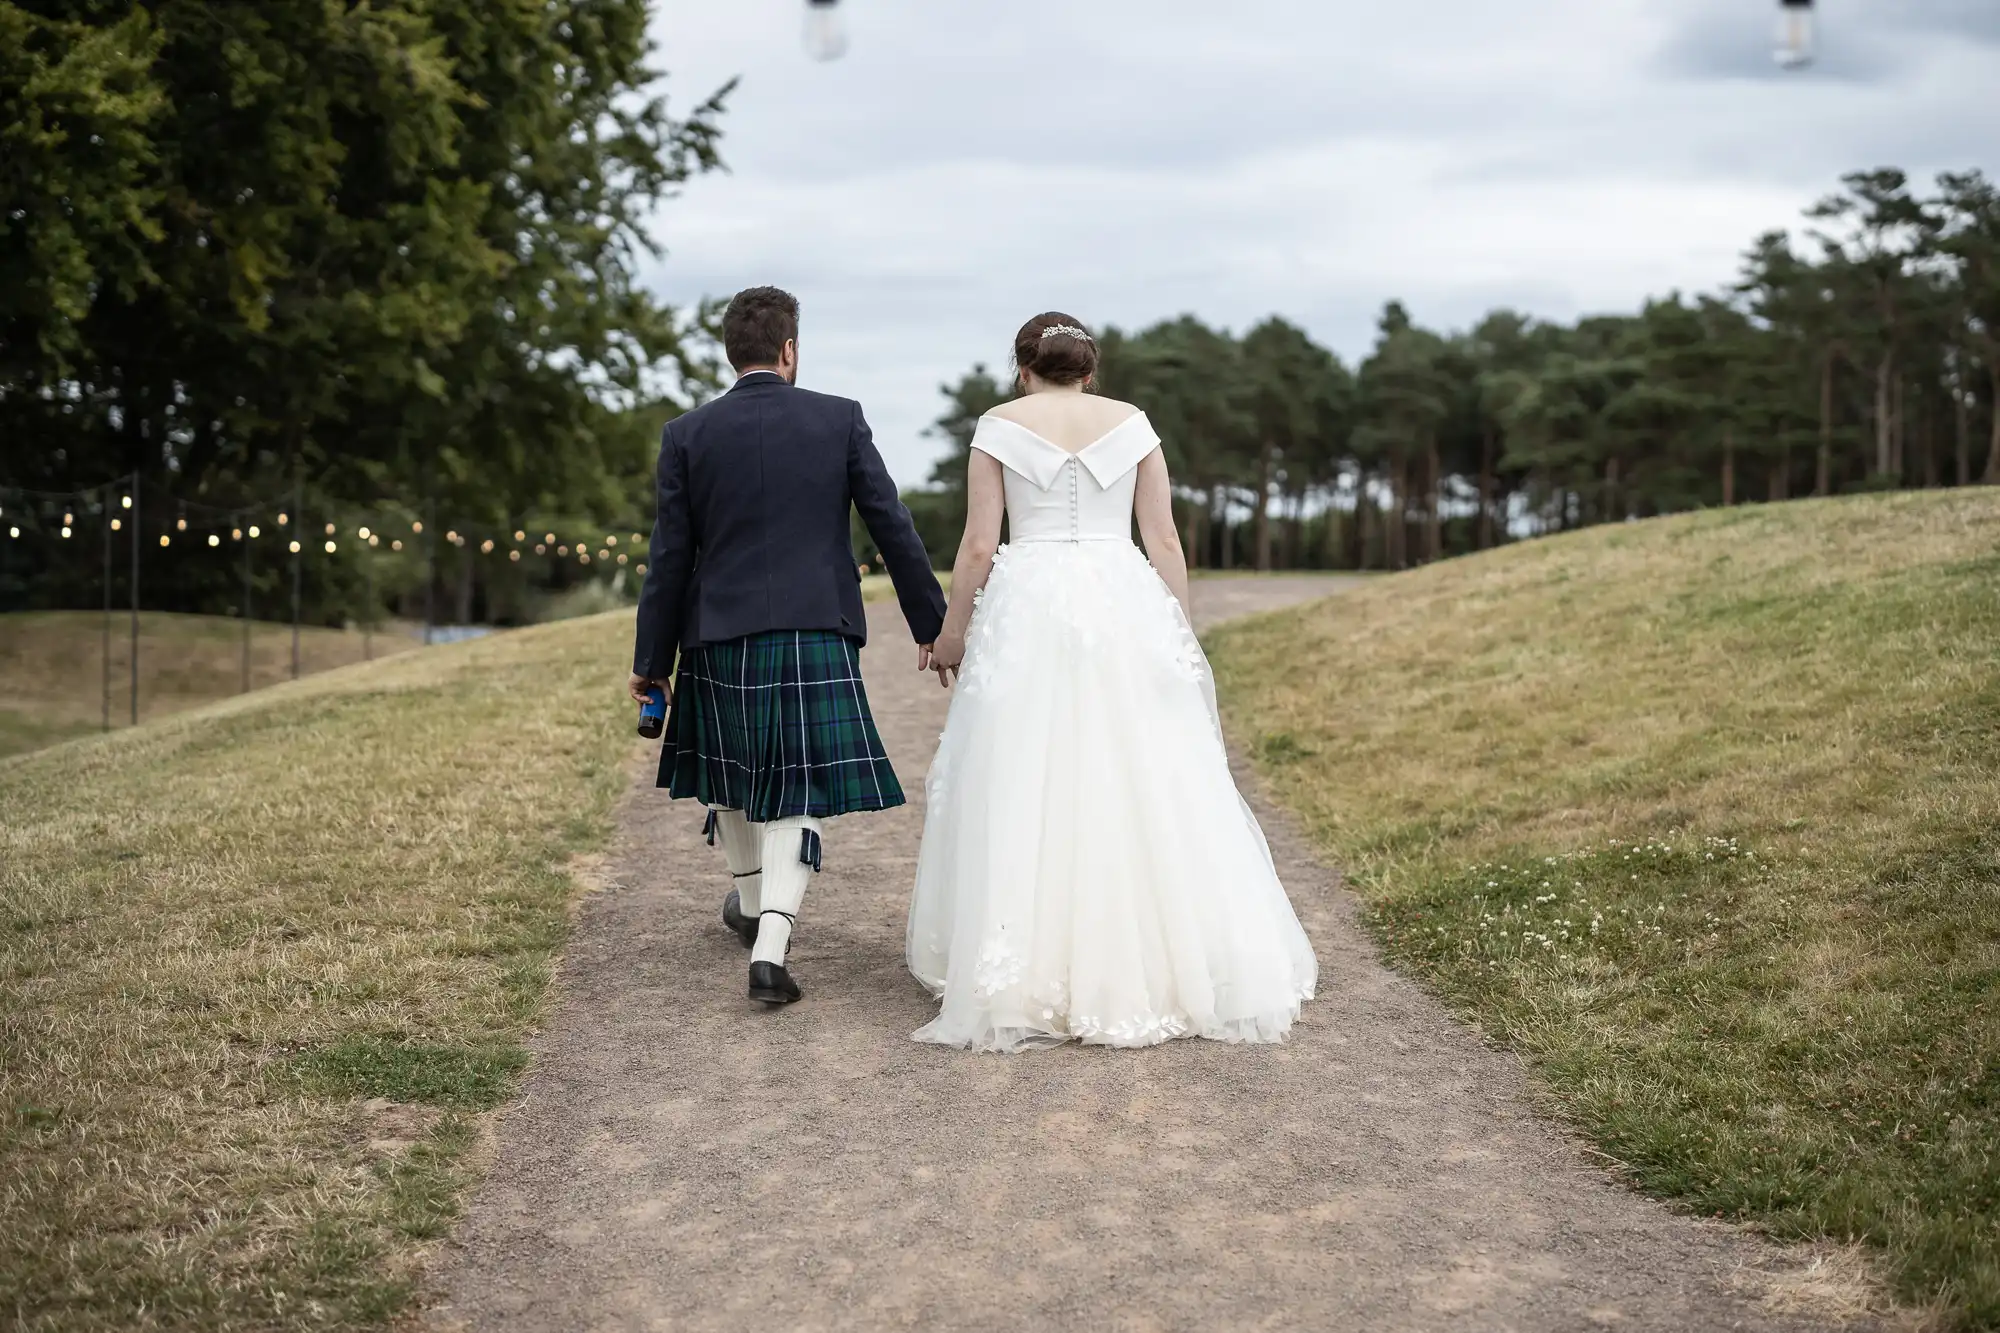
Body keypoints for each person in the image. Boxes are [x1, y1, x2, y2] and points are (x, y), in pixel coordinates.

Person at [905, 313, 1318, 1050]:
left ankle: (1027, 967)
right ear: (1089, 371)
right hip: (1120, 594)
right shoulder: (1133, 423)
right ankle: (1171, 962)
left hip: (1029, 598)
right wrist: (1178, 631)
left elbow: (977, 543)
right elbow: (1161, 537)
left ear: (1022, 367)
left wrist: (951, 632)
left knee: (1027, 769)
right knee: (1144, 767)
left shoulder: (999, 424)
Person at [630, 286, 947, 1006]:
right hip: (812, 630)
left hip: (717, 634)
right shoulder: (838, 419)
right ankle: (767, 939)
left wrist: (651, 664)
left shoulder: (687, 433)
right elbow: (890, 525)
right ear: (790, 349)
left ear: (729, 352)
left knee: (736, 775)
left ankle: (752, 905)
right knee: (792, 779)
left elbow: (670, 558)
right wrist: (931, 623)